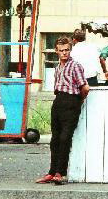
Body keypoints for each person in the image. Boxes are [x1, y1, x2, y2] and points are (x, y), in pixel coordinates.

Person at [36, 37, 89, 185]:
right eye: (61, 51)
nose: (64, 53)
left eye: (66, 50)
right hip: (58, 100)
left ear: (70, 50)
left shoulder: (75, 66)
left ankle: (60, 172)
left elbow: (84, 87)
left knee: (65, 137)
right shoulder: (58, 66)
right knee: (55, 139)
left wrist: (79, 100)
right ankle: (52, 171)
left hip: (71, 100)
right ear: (56, 51)